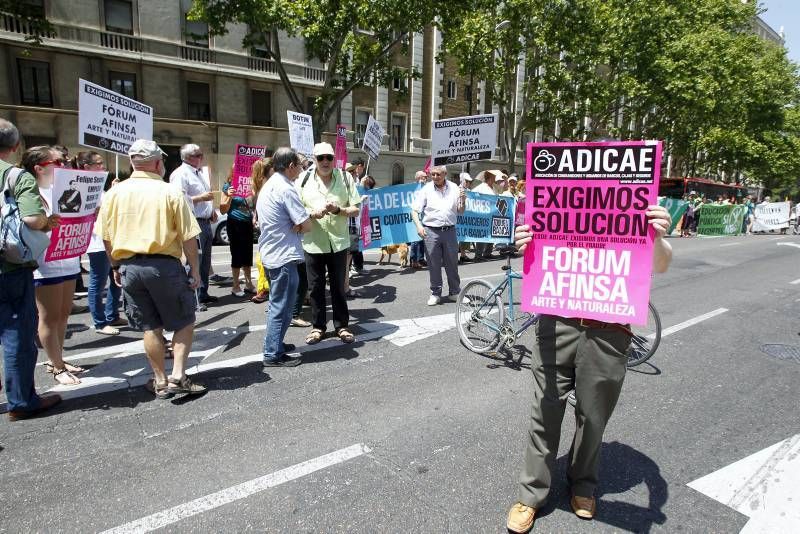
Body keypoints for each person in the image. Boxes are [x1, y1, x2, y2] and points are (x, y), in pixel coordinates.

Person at [505, 205, 673, 533]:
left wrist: (658, 237)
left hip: (609, 330)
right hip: (557, 320)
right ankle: (531, 494)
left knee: (593, 416)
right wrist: (525, 241)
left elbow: (661, 264)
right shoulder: (557, 194)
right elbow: (534, 249)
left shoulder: (638, 201)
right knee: (545, 409)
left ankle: (583, 485)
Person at [100, 139, 206, 399]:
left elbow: (105, 236)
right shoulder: (170, 191)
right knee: (184, 320)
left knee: (150, 326)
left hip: (129, 266)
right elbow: (188, 237)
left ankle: (159, 381)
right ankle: (178, 376)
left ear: (132, 163)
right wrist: (195, 269)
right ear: (158, 163)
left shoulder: (114, 193)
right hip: (164, 265)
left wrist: (114, 265)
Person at [0, 120, 62, 420]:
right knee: (17, 335)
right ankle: (22, 401)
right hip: (9, 266)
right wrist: (48, 222)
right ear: (14, 147)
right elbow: (31, 220)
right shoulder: (16, 176)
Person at [20, 146, 85, 385]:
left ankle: (58, 358)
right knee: (48, 317)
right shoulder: (30, 192)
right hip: (45, 262)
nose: (64, 165)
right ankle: (56, 366)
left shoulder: (58, 190)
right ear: (39, 168)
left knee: (63, 314)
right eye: (58, 162)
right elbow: (30, 225)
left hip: (68, 257)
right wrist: (48, 224)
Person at [297, 142, 361, 345]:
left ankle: (342, 325)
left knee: (338, 287)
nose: (325, 161)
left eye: (329, 157)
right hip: (313, 241)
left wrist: (338, 210)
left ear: (334, 159)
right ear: (314, 160)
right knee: (315, 288)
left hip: (338, 242)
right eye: (321, 158)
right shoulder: (303, 179)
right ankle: (318, 327)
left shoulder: (345, 177)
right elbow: (295, 210)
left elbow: (356, 208)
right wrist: (311, 214)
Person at [257, 147, 311, 367]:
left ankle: (275, 344)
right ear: (291, 166)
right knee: (282, 307)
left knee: (278, 304)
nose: (301, 169)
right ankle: (272, 353)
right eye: (299, 165)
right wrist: (300, 223)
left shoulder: (270, 184)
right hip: (283, 256)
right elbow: (306, 224)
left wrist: (296, 224)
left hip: (272, 253)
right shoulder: (286, 188)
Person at [74, 151, 125, 335]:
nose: (103, 167)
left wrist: (112, 191)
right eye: (99, 163)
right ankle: (100, 322)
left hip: (111, 239)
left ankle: (112, 315)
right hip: (96, 241)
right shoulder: (81, 186)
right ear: (86, 167)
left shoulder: (98, 187)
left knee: (115, 279)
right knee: (98, 281)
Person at [169, 143, 217, 305]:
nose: (202, 157)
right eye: (198, 155)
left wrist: (211, 211)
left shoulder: (198, 173)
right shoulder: (180, 174)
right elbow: (178, 199)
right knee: (194, 259)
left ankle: (203, 292)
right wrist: (201, 199)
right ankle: (193, 296)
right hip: (192, 222)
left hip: (204, 221)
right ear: (188, 157)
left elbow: (205, 195)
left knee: (205, 261)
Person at [411, 165, 466, 305]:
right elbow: (414, 211)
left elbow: (460, 211)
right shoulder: (426, 189)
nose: (435, 177)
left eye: (438, 174)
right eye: (432, 174)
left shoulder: (455, 188)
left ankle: (455, 292)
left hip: (450, 231)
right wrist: (419, 226)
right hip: (431, 231)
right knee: (434, 264)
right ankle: (435, 293)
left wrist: (463, 200)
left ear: (445, 174)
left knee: (452, 263)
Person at [220, 170, 256, 297]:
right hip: (234, 222)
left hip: (247, 223)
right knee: (236, 254)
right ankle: (235, 286)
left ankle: (249, 283)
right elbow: (222, 209)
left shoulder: (249, 185)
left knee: (247, 254)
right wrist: (229, 196)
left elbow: (252, 205)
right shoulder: (228, 186)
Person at [250, 157, 275, 304]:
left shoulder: (262, 186)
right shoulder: (266, 186)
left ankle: (266, 290)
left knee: (264, 260)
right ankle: (265, 290)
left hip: (267, 228)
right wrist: (256, 216)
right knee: (264, 261)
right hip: (268, 229)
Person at [473, 170, 506, 259]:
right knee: (483, 234)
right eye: (494, 176)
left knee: (491, 234)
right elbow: (472, 196)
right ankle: (478, 255)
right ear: (489, 177)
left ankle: (488, 252)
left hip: (492, 214)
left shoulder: (494, 187)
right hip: (483, 214)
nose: (495, 178)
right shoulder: (481, 187)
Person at [409, 170, 428, 269]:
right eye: (424, 177)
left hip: (424, 216)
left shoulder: (426, 188)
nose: (426, 179)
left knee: (422, 239)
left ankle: (421, 258)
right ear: (418, 178)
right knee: (415, 239)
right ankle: (413, 260)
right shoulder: (413, 188)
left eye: (426, 177)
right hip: (415, 216)